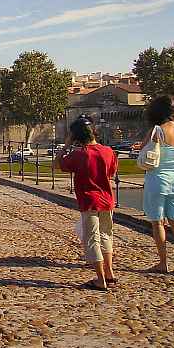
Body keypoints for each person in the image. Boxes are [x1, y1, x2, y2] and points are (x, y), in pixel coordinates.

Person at [54, 116, 117, 291]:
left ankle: (100, 279)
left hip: (89, 200)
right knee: (106, 235)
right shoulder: (108, 151)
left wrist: (66, 145)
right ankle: (109, 272)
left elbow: (56, 164)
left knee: (92, 239)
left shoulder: (80, 154)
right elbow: (111, 172)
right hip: (107, 199)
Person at [140, 95, 174, 274]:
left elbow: (144, 151)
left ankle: (163, 262)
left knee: (158, 223)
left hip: (157, 180)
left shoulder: (157, 130)